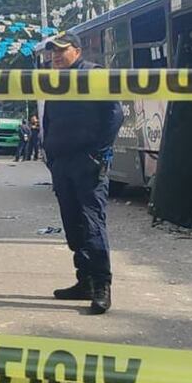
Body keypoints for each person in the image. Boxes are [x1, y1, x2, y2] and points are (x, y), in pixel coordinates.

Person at [41, 32, 124, 315]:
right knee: (73, 226)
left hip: (87, 163)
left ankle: (102, 287)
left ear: (77, 51)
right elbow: (49, 119)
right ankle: (84, 281)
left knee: (92, 225)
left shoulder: (94, 75)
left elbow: (115, 114)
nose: (55, 56)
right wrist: (49, 154)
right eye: (52, 52)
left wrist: (99, 152)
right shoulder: (57, 82)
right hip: (62, 163)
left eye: (61, 51)